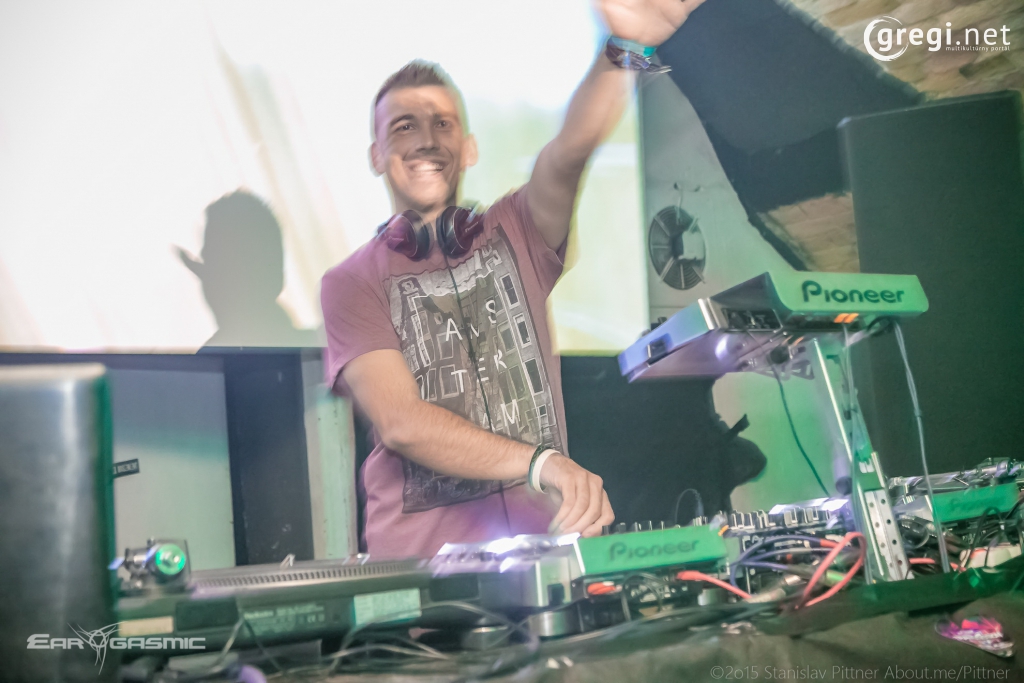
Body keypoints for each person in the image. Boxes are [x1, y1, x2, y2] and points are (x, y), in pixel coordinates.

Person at [322, 0, 707, 558]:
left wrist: (623, 53)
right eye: (404, 127)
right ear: (377, 155)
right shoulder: (350, 282)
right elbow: (402, 423)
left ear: (469, 148)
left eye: (443, 124)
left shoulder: (517, 229)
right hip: (422, 575)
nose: (426, 140)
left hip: (542, 556)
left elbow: (569, 153)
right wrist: (541, 462)